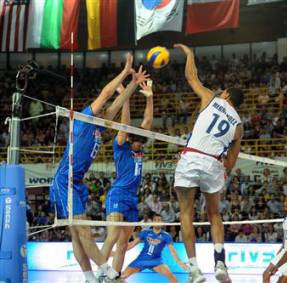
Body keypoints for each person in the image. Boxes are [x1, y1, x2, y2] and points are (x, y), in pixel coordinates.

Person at [49, 54, 150, 283]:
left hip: (77, 183)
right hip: (64, 181)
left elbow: (115, 106)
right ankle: (106, 270)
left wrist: (133, 85)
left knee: (77, 235)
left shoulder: (99, 128)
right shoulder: (85, 119)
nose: (107, 112)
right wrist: (124, 72)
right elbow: (106, 95)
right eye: (103, 110)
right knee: (83, 229)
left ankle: (89, 278)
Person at [173, 43, 244, 283]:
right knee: (214, 214)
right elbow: (231, 162)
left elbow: (190, 76)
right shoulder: (239, 127)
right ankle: (220, 263)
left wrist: (190, 53)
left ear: (225, 95)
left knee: (186, 213)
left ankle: (193, 270)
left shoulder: (211, 98)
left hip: (191, 156)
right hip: (214, 164)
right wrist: (220, 172)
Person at [100, 78, 154, 280]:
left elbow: (147, 123)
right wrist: (126, 98)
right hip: (117, 194)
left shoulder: (139, 147)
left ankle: (114, 275)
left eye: (141, 142)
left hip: (132, 198)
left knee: (123, 243)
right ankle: (100, 271)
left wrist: (150, 97)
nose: (140, 144)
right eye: (137, 141)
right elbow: (125, 124)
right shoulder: (121, 145)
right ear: (131, 140)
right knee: (113, 236)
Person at [118, 214, 188, 282]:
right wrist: (117, 253)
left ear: (162, 223)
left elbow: (172, 250)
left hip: (156, 261)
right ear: (152, 222)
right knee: (121, 277)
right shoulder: (145, 232)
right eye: (155, 220)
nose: (157, 221)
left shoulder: (166, 236)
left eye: (159, 220)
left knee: (171, 276)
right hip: (141, 260)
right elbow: (131, 244)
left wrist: (179, 262)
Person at [263, 195, 287, 283]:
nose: (286, 203)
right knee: (266, 274)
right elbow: (285, 240)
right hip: (284, 251)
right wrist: (279, 252)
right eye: (285, 201)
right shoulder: (285, 219)